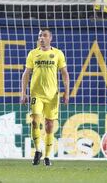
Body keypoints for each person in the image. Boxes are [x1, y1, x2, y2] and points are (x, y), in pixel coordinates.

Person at [20, 28, 69, 166]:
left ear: (50, 38)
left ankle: (47, 156)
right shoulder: (33, 54)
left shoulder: (58, 53)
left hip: (52, 95)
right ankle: (37, 150)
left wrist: (67, 92)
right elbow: (26, 74)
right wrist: (23, 93)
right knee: (35, 120)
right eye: (40, 35)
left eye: (44, 35)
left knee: (49, 125)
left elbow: (64, 73)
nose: (41, 38)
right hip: (36, 94)